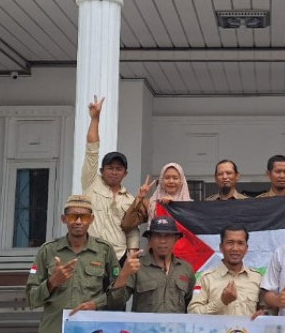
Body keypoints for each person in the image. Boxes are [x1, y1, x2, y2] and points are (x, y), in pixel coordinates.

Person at [26, 195, 120, 333]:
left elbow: (119, 293)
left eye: (84, 217)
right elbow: (31, 299)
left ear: (92, 219)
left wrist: (96, 304)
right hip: (55, 328)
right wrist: (52, 282)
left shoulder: (104, 250)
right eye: (72, 217)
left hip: (91, 328)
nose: (78, 221)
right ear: (63, 219)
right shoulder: (48, 251)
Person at [81, 96, 139, 261]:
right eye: (110, 168)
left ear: (125, 173)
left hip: (118, 256)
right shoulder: (91, 182)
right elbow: (92, 150)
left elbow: (132, 230)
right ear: (102, 170)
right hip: (90, 253)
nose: (114, 172)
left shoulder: (130, 200)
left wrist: (132, 253)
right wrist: (95, 119)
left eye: (118, 169)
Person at [107, 216, 195, 313]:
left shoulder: (186, 269)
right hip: (143, 328)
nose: (162, 241)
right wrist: (123, 274)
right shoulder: (137, 266)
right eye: (157, 236)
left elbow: (191, 307)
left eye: (168, 236)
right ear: (150, 239)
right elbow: (113, 304)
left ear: (176, 239)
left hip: (176, 328)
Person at [188, 224, 263, 316]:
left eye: (240, 243)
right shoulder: (206, 278)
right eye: (230, 242)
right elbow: (193, 312)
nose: (235, 248)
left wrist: (263, 315)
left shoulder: (257, 278)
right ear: (221, 247)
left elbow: (267, 312)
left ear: (246, 249)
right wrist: (222, 302)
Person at [121, 162, 192, 233]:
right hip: (157, 243)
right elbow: (127, 225)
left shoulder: (191, 206)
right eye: (167, 178)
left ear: (181, 181)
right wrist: (140, 197)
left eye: (175, 178)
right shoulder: (151, 204)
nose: (171, 181)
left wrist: (174, 206)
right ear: (161, 180)